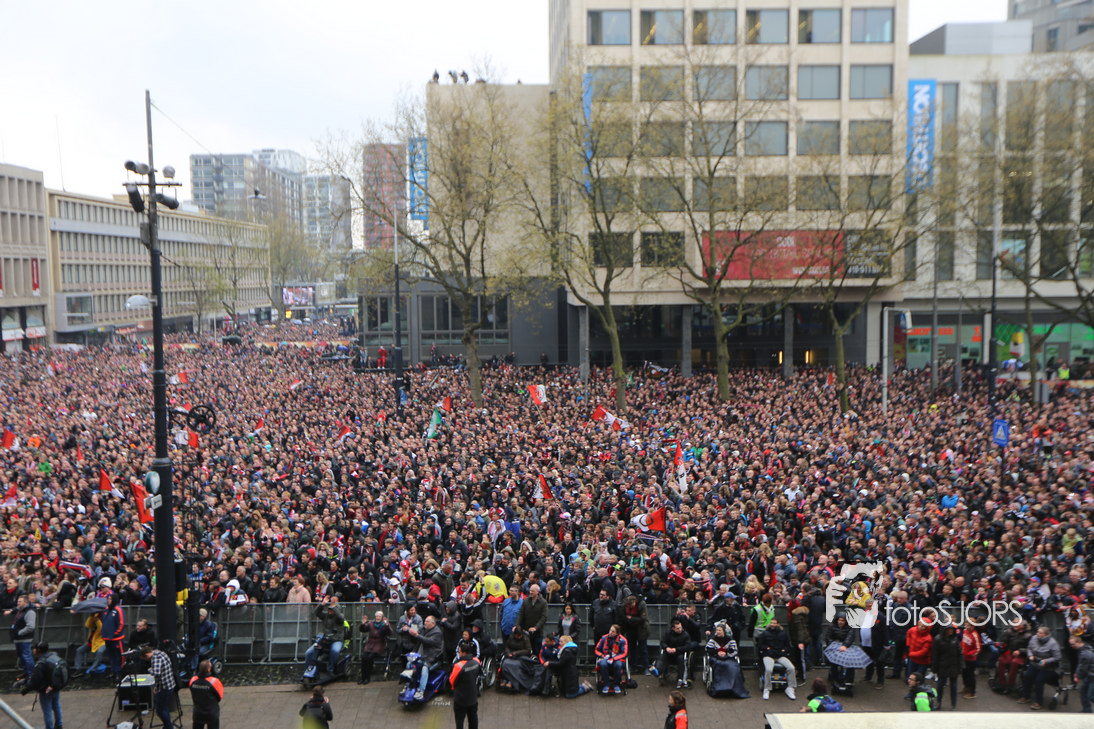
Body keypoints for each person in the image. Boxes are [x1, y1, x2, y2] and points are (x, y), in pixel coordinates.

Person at [23, 642, 65, 729]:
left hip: (45, 690)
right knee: (56, 705)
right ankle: (59, 724)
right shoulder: (54, 656)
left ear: (39, 650)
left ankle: (49, 727)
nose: (33, 650)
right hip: (55, 686)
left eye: (34, 648)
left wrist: (26, 686)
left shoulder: (41, 663)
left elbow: (35, 680)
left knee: (47, 710)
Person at [1019, 624, 1061, 710]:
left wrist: (1046, 661)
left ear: (1046, 634)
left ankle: (1038, 701)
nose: (1037, 634)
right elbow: (1029, 648)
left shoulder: (1053, 643)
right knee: (1028, 676)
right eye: (1037, 632)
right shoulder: (1034, 638)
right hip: (1035, 663)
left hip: (1048, 667)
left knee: (1039, 680)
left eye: (1040, 633)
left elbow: (1057, 657)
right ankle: (1026, 696)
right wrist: (1030, 655)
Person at [704, 621, 749, 698]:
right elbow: (708, 650)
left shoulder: (730, 640)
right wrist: (717, 653)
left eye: (720, 630)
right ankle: (719, 688)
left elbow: (735, 651)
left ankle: (734, 687)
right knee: (720, 666)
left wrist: (726, 654)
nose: (718, 632)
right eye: (717, 630)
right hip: (716, 658)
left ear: (724, 631)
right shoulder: (713, 640)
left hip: (728, 658)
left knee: (733, 667)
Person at [304, 595, 346, 677]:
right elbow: (316, 613)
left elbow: (340, 617)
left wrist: (334, 607)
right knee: (309, 653)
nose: (330, 610)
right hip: (324, 640)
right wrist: (322, 604)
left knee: (335, 651)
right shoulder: (325, 616)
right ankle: (308, 670)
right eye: (329, 608)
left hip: (336, 640)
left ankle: (330, 669)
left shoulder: (340, 618)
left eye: (332, 609)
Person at [139, 644, 178, 729]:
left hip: (164, 687)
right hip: (170, 684)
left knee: (159, 710)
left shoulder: (155, 658)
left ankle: (169, 727)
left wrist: (150, 670)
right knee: (164, 707)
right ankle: (167, 726)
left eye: (145, 659)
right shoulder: (161, 653)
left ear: (146, 654)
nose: (146, 660)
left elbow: (156, 673)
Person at [757, 617, 796, 700]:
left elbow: (788, 646)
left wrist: (784, 650)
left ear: (778, 624)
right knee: (768, 669)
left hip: (780, 655)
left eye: (774, 623)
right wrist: (767, 649)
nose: (772, 624)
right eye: (771, 623)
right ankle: (767, 689)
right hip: (769, 655)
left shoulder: (783, 634)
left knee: (791, 668)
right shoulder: (765, 633)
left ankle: (790, 688)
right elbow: (760, 645)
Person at [410, 614, 444, 700]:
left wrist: (417, 635)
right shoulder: (424, 629)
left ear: (433, 623)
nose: (425, 623)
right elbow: (417, 638)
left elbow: (428, 641)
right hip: (423, 656)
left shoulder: (437, 633)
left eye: (427, 621)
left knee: (425, 668)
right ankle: (408, 686)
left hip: (432, 658)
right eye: (425, 621)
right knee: (410, 664)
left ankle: (421, 691)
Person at [449, 640, 481, 729]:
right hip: (472, 697)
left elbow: (452, 681)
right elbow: (478, 673)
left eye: (459, 652)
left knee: (459, 720)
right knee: (473, 719)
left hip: (461, 698)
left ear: (463, 653)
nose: (458, 653)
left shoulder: (458, 666)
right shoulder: (476, 661)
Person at [932, 624, 963, 710]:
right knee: (940, 685)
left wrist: (961, 665)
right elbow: (935, 655)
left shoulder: (954, 639)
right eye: (949, 629)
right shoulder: (938, 639)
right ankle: (939, 701)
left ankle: (953, 704)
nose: (951, 631)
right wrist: (934, 668)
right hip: (943, 666)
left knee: (953, 686)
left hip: (953, 665)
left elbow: (959, 652)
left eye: (952, 629)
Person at [653, 618, 691, 687]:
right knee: (662, 657)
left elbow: (687, 646)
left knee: (681, 659)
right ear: (673, 628)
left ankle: (680, 678)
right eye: (678, 628)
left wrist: (676, 649)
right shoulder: (667, 633)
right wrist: (667, 648)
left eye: (680, 627)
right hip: (669, 653)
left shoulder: (685, 635)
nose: (680, 629)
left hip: (679, 653)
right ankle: (657, 671)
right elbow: (663, 642)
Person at [359, 610, 392, 685]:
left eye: (379, 616)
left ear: (382, 617)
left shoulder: (384, 624)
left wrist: (387, 625)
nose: (378, 618)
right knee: (364, 657)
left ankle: (367, 677)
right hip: (370, 644)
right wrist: (363, 624)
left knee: (369, 657)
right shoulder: (371, 623)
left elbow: (390, 633)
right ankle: (362, 677)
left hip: (379, 644)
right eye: (377, 616)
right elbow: (363, 630)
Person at [188, 659, 224, 729]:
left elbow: (193, 692)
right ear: (209, 669)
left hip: (198, 713)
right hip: (211, 713)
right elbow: (219, 697)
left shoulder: (193, 680)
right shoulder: (214, 681)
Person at [594, 623, 628, 694]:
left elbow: (624, 653)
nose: (610, 632)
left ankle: (616, 684)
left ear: (617, 633)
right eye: (610, 630)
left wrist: (614, 658)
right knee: (602, 664)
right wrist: (602, 655)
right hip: (605, 657)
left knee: (618, 665)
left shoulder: (623, 640)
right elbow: (597, 650)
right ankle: (606, 684)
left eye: (613, 631)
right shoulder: (604, 638)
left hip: (618, 659)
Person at [11, 593, 36, 682]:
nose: (18, 603)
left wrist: (19, 633)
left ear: (26, 602)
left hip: (25, 638)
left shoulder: (29, 612)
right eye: (18, 601)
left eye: (20, 601)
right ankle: (26, 672)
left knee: (26, 656)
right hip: (18, 638)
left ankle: (31, 674)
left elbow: (31, 627)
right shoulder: (20, 611)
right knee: (22, 656)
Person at [517, 584, 548, 654]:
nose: (530, 592)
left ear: (537, 592)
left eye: (533, 591)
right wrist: (517, 625)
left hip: (538, 633)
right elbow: (521, 613)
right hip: (526, 632)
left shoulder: (543, 603)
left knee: (537, 651)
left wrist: (535, 628)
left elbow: (543, 617)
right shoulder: (526, 601)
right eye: (530, 590)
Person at [101, 593, 126, 677]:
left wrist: (115, 633)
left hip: (116, 638)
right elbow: (104, 622)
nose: (108, 600)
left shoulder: (118, 610)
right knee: (111, 655)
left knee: (119, 655)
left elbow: (121, 623)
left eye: (110, 599)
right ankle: (113, 670)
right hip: (107, 638)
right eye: (108, 599)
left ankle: (119, 671)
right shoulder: (106, 610)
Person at [1071, 634, 1094, 714]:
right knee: (1083, 691)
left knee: (1091, 696)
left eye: (1073, 644)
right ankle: (1087, 710)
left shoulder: (1085, 653)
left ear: (1079, 642)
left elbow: (1083, 667)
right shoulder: (1082, 649)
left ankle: (1087, 710)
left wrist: (1077, 676)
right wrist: (1076, 673)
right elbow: (1080, 664)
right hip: (1089, 675)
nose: (1072, 646)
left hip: (1092, 676)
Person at [960, 617, 982, 699]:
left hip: (970, 659)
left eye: (968, 625)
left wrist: (969, 654)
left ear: (973, 626)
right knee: (964, 674)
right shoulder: (965, 631)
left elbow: (978, 649)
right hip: (964, 658)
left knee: (970, 676)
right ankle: (966, 687)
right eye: (966, 624)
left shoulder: (975, 635)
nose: (966, 626)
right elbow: (963, 642)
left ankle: (972, 692)